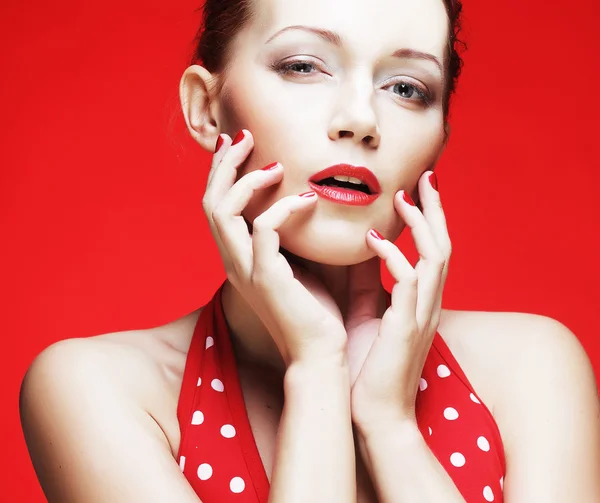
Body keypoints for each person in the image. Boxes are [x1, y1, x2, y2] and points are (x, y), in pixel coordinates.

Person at [19, 0, 600, 501]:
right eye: (303, 66)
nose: (360, 119)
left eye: (406, 88)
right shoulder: (102, 388)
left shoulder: (532, 367)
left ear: (440, 135)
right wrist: (317, 368)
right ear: (205, 107)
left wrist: (387, 424)